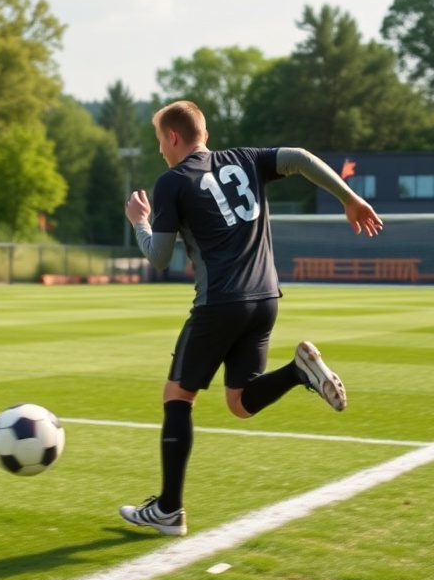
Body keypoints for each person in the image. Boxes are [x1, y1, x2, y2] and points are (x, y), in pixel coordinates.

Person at [119, 101, 383, 537]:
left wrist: (140, 223)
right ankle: (298, 371)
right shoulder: (245, 159)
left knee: (177, 396)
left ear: (173, 137)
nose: (160, 151)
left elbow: (160, 257)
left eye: (159, 141)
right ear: (205, 134)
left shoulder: (171, 182)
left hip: (219, 303)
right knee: (240, 402)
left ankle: (169, 509)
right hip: (265, 298)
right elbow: (300, 158)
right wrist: (350, 199)